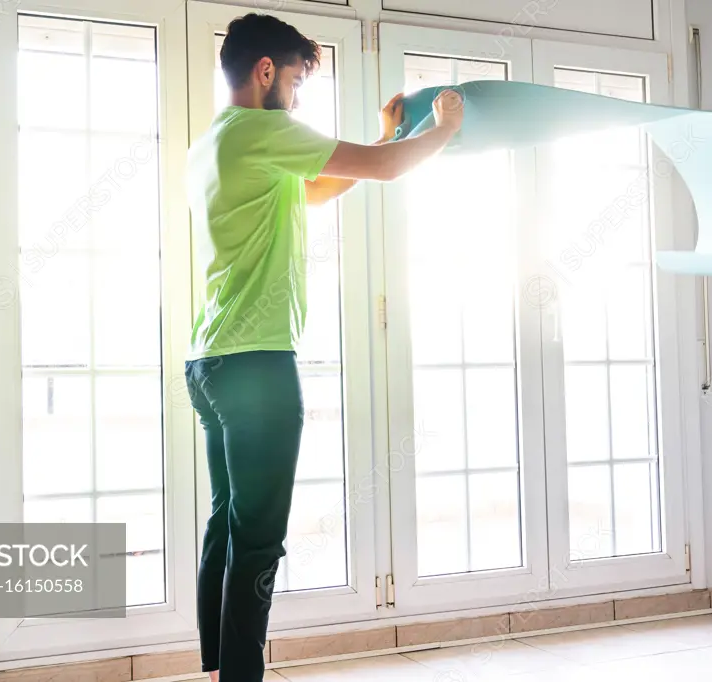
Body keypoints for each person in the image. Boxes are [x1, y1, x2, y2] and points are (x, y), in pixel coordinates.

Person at [183, 12, 464, 682]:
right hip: (257, 367)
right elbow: (386, 172)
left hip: (209, 362)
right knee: (258, 544)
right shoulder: (264, 128)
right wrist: (442, 129)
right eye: (299, 81)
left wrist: (391, 131)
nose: (299, 97)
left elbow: (314, 190)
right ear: (265, 72)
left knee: (227, 527)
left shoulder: (216, 142)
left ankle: (217, 668)